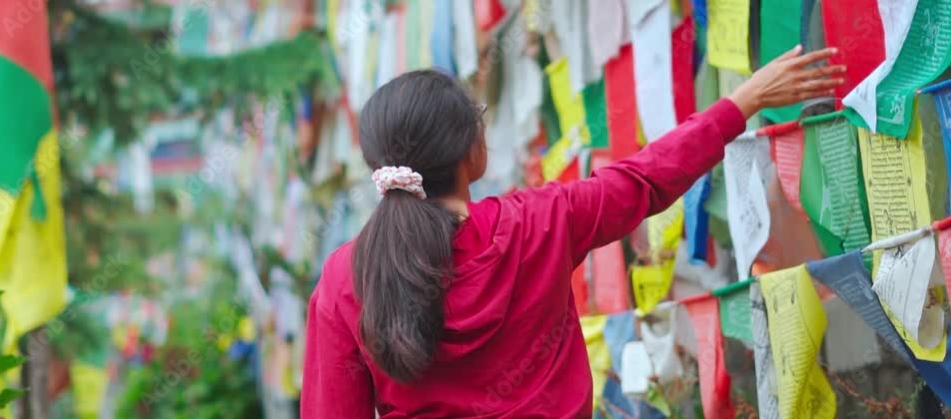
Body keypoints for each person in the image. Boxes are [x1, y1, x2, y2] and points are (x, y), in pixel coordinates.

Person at [302, 46, 844, 418]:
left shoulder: (345, 278)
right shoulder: (537, 222)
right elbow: (644, 178)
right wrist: (742, 101)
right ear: (470, 150)